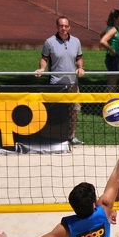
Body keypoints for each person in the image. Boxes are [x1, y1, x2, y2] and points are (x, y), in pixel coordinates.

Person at [36, 16, 85, 145]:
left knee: (74, 111)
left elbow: (79, 58)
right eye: (61, 26)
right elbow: (44, 58)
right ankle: (53, 136)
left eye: (66, 26)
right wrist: (41, 68)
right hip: (56, 84)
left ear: (69, 27)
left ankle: (71, 136)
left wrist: (80, 68)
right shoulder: (49, 42)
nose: (64, 28)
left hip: (72, 83)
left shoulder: (76, 41)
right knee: (55, 112)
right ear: (57, 27)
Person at [99, 9, 119, 92]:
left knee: (112, 82)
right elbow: (103, 41)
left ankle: (108, 99)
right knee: (112, 83)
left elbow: (101, 35)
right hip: (114, 58)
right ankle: (108, 100)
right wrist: (112, 50)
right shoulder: (113, 30)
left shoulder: (111, 28)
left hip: (115, 58)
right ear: (115, 19)